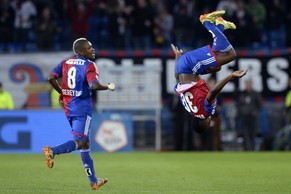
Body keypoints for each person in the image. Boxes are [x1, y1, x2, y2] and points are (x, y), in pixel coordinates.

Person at [43, 38, 115, 190]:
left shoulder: (65, 63)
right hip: (82, 108)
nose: (93, 50)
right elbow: (93, 85)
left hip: (69, 108)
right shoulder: (89, 65)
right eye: (89, 48)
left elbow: (51, 78)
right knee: (80, 141)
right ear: (81, 52)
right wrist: (108, 86)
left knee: (85, 144)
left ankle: (93, 181)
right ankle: (53, 151)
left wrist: (62, 93)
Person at [171, 10, 247, 133]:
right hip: (183, 67)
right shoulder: (189, 108)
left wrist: (231, 76)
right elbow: (177, 78)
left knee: (231, 55)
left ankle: (206, 22)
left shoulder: (206, 113)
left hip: (190, 66)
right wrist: (178, 57)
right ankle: (221, 25)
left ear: (205, 123)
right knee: (217, 65)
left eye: (208, 123)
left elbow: (213, 92)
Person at [236, 79, 262, 151]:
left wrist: (256, 112)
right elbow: (238, 104)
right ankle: (246, 148)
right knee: (244, 133)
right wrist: (241, 112)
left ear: (252, 84)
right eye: (247, 84)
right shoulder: (242, 94)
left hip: (252, 117)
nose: (248, 86)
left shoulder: (255, 94)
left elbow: (259, 105)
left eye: (249, 84)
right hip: (244, 116)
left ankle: (252, 148)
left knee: (252, 133)